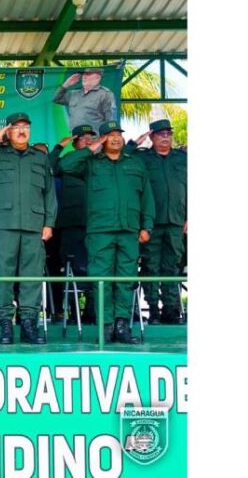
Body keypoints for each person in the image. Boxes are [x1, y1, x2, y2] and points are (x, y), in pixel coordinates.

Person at [57, 120, 155, 344]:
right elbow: (65, 166)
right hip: (100, 231)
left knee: (125, 279)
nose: (115, 138)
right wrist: (91, 149)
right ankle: (106, 327)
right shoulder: (91, 163)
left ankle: (122, 326)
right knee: (101, 279)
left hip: (129, 230)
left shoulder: (136, 164)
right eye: (109, 135)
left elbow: (147, 197)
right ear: (102, 139)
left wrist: (146, 225)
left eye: (118, 134)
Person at [0, 112, 57, 345]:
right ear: (8, 130)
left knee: (31, 277)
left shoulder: (39, 157)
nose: (22, 130)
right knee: (3, 276)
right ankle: (5, 322)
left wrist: (49, 223)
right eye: (16, 127)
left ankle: (28, 323)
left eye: (26, 126)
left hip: (34, 226)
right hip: (3, 225)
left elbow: (49, 193)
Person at [127, 119, 187, 324]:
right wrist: (134, 144)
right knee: (151, 266)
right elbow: (123, 156)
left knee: (172, 266)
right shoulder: (143, 158)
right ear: (151, 136)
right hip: (150, 222)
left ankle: (171, 310)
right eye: (160, 134)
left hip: (176, 220)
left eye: (168, 134)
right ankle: (153, 310)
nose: (165, 138)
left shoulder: (182, 159)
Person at [49, 125, 99, 324]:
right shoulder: (66, 163)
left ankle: (92, 311)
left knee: (96, 268)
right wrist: (60, 147)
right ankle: (71, 310)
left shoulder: (100, 162)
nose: (88, 141)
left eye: (91, 137)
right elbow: (49, 166)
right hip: (71, 226)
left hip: (96, 226)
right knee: (71, 268)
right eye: (83, 138)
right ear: (75, 142)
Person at [53, 68, 117, 134]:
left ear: (98, 77)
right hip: (76, 139)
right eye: (83, 74)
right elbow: (56, 99)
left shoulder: (105, 94)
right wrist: (66, 84)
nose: (84, 76)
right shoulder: (74, 93)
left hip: (95, 139)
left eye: (88, 74)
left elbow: (110, 119)